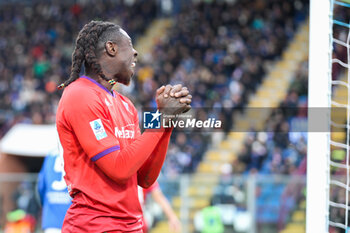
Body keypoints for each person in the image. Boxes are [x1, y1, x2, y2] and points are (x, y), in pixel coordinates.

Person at [56, 20, 192, 233]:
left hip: (130, 226)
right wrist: (161, 116)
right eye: (130, 46)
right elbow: (119, 169)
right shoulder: (80, 95)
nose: (136, 53)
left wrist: (167, 122)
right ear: (111, 48)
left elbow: (144, 177)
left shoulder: (126, 105)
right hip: (94, 226)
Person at [37, 147, 72, 233]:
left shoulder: (50, 155)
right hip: (72, 219)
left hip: (51, 220)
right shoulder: (74, 152)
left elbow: (41, 186)